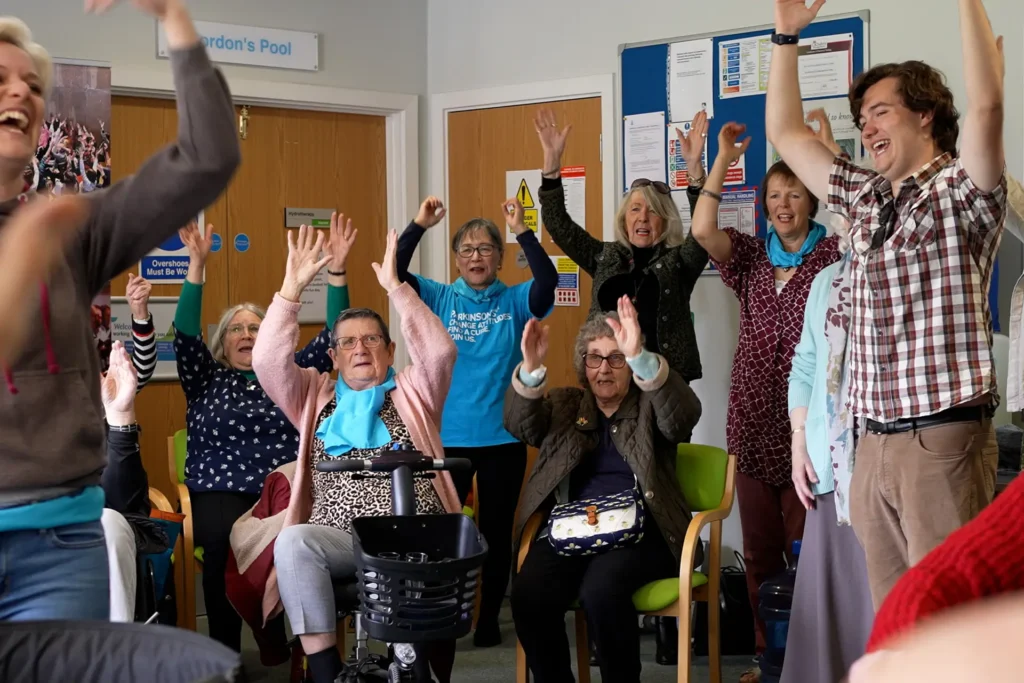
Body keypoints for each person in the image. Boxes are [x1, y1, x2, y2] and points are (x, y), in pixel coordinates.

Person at [0, 0, 240, 622]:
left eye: (31, 85)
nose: (20, 94)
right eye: (1, 80)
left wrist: (173, 19)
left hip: (59, 544)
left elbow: (207, 159)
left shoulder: (68, 230)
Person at [766, 0, 1005, 607]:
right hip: (869, 443)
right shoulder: (866, 197)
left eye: (881, 111)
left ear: (925, 116)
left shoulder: (964, 191)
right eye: (861, 117)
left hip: (940, 440)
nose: (867, 127)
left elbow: (988, 107)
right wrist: (785, 38)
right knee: (896, 622)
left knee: (951, 622)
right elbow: (787, 134)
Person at [252, 226, 463, 683]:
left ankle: (409, 664)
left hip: (414, 534)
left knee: (409, 558)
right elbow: (267, 362)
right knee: (293, 542)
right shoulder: (314, 394)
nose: (360, 348)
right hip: (339, 536)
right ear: (333, 357)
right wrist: (290, 291)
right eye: (348, 341)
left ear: (390, 351)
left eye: (371, 340)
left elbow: (441, 352)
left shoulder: (413, 390)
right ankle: (325, 671)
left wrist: (396, 288)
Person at [689, 120, 839, 677]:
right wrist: (725, 157)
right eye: (774, 195)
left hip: (809, 431)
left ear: (811, 199)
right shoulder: (751, 256)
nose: (782, 204)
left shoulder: (835, 257)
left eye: (793, 193)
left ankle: (806, 658)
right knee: (758, 558)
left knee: (808, 558)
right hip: (751, 427)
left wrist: (823, 151)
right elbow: (704, 229)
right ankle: (766, 655)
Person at [173, 215, 355, 651]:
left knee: (305, 544)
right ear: (222, 343)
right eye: (235, 328)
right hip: (221, 486)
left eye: (255, 327)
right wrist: (196, 266)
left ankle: (304, 645)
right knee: (220, 546)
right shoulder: (205, 378)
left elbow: (338, 332)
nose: (246, 333)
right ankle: (225, 651)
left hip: (286, 484)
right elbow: (183, 333)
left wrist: (337, 272)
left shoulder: (289, 374)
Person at [506, 296, 703, 683]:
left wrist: (641, 356)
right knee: (529, 593)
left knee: (602, 590)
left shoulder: (650, 404)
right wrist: (529, 370)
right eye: (594, 358)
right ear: (584, 366)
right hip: (573, 530)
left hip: (646, 533)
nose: (605, 369)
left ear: (629, 365)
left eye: (616, 358)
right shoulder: (566, 405)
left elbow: (684, 417)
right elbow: (521, 427)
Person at [395, 194, 557, 646]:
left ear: (500, 257)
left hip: (503, 436)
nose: (475, 257)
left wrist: (523, 230)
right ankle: (444, 612)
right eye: (466, 249)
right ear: (456, 258)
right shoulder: (440, 297)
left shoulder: (517, 299)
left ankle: (487, 620)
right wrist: (419, 225)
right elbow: (396, 273)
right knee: (443, 529)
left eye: (485, 248)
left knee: (496, 531)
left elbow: (548, 281)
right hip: (448, 439)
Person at [535, 107, 710, 382]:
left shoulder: (680, 261)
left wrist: (695, 171)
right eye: (635, 209)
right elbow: (560, 227)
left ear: (665, 221)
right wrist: (552, 168)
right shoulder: (605, 256)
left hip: (663, 384)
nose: (643, 217)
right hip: (608, 379)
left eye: (652, 211)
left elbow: (703, 232)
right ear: (624, 219)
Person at [781, 216, 873, 683]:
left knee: (874, 601)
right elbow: (805, 363)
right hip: (826, 461)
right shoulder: (825, 280)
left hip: (877, 462)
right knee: (829, 602)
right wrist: (799, 440)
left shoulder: (890, 272)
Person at [99, 341, 161, 623]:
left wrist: (120, 417)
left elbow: (122, 502)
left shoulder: (95, 412)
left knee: (109, 521)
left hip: (97, 522)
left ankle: (118, 653)